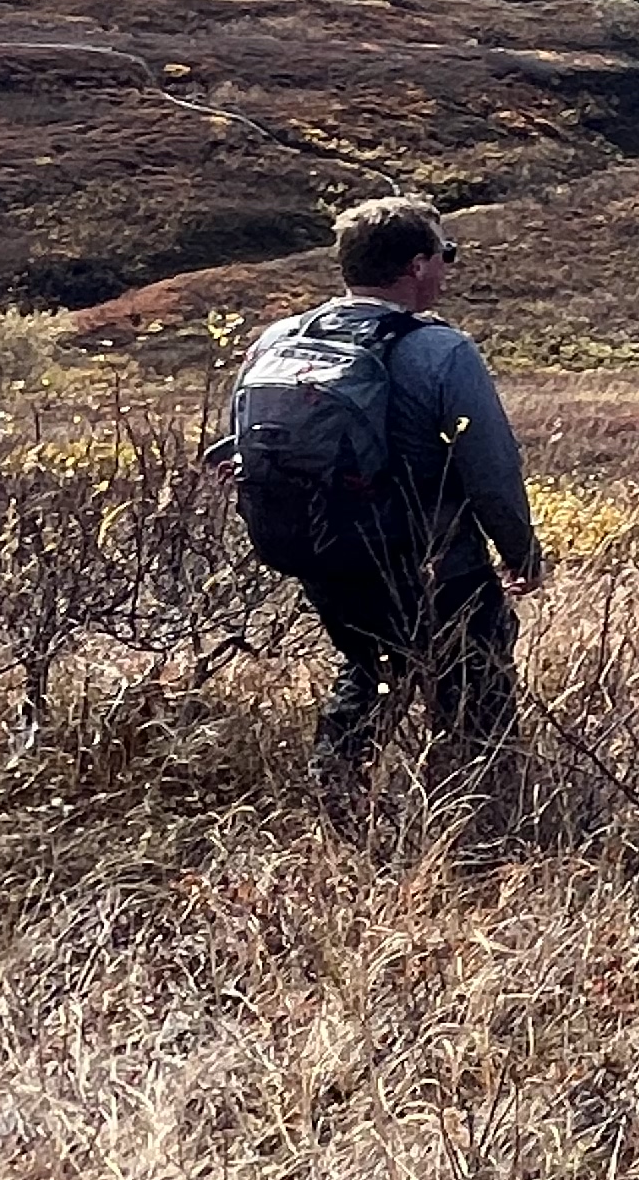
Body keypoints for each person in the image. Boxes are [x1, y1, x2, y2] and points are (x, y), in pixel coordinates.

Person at [225, 195, 545, 814]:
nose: (448, 268)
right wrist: (520, 552)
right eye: (446, 255)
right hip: (437, 563)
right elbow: (492, 469)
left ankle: (335, 797)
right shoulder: (442, 351)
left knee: (369, 668)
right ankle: (483, 817)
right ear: (419, 264)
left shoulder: (279, 339)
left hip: (327, 555)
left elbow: (244, 447)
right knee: (475, 691)